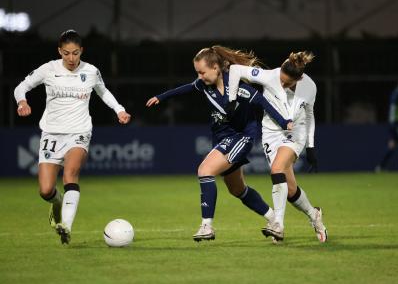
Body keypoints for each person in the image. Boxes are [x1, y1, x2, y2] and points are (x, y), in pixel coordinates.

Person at [146, 46, 292, 242]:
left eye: (202, 72)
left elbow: (264, 104)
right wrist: (160, 97)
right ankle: (274, 220)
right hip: (223, 139)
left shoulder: (239, 88)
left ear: (215, 68)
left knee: (205, 170)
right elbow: (186, 88)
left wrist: (284, 122)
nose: (200, 76)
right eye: (197, 72)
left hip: (241, 138)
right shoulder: (204, 85)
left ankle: (207, 226)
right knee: (237, 189)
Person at [14, 30, 131, 244]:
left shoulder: (91, 71)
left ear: (81, 51)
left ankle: (66, 225)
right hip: (51, 133)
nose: (71, 58)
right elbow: (21, 87)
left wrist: (119, 110)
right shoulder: (49, 69)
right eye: (66, 53)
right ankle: (57, 203)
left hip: (79, 132)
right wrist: (22, 102)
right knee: (45, 190)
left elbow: (103, 92)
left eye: (75, 53)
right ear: (59, 51)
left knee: (71, 174)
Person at [228, 51, 327, 243]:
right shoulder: (270, 75)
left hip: (295, 133)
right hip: (271, 133)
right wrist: (232, 99)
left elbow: (309, 116)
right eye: (282, 80)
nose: (282, 85)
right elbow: (235, 70)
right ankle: (314, 215)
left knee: (276, 169)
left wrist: (310, 146)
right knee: (290, 191)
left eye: (288, 83)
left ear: (299, 79)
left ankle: (278, 225)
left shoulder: (310, 87)